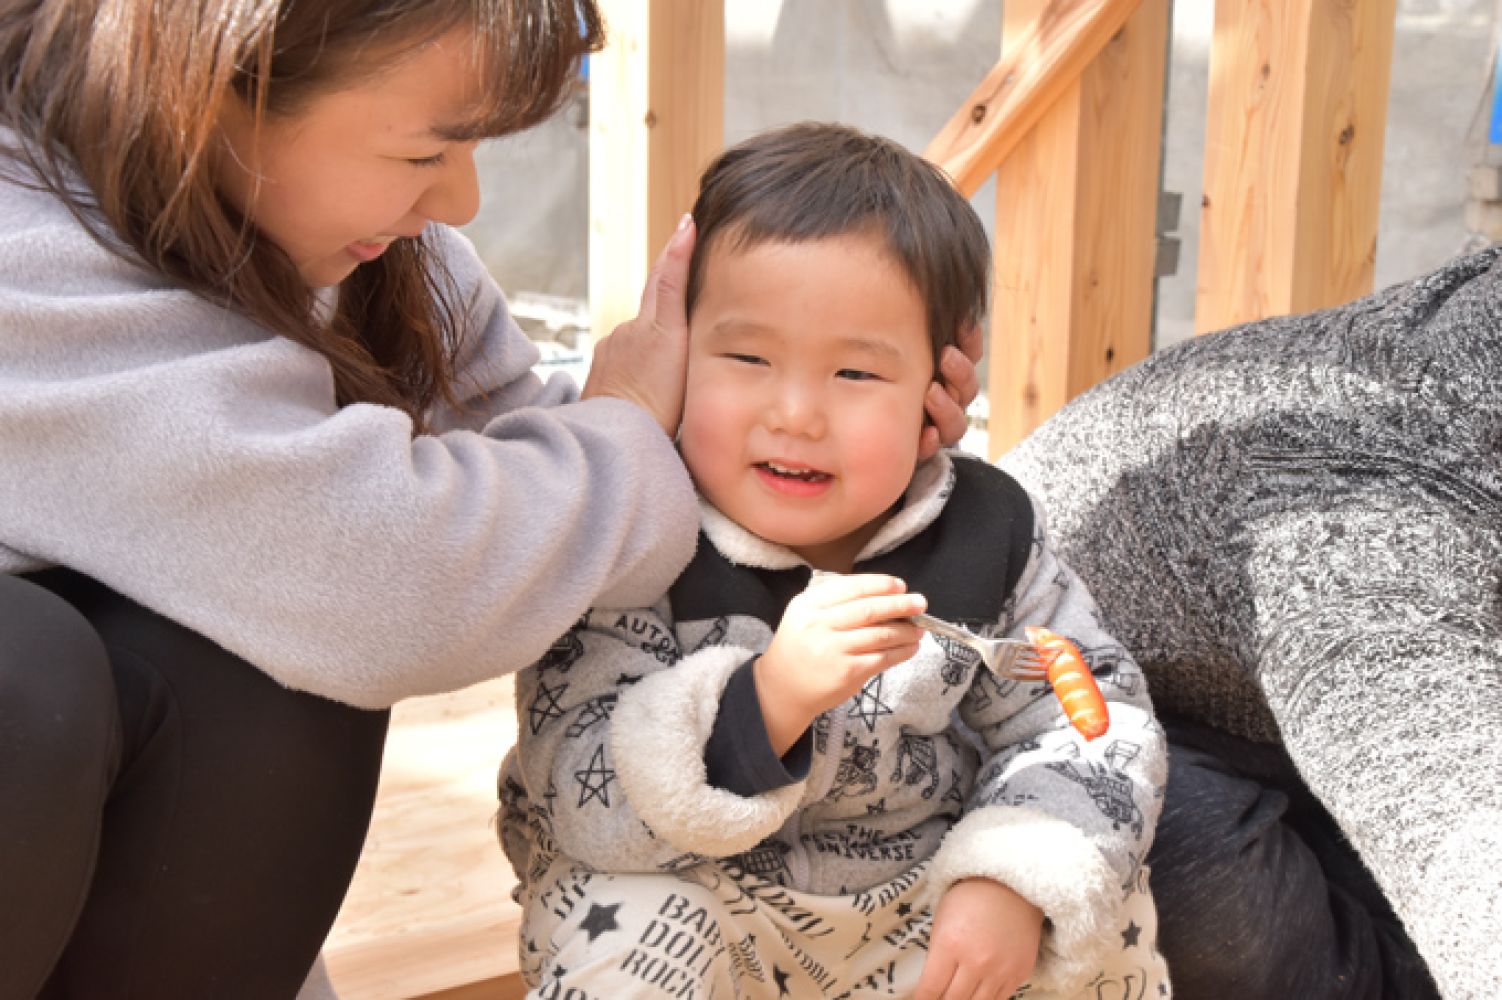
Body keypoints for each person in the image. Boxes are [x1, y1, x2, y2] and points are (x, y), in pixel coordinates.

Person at [0, 5, 984, 997]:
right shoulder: (24, 243)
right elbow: (383, 572)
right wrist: (636, 412)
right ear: (221, 83)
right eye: (428, 149)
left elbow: (550, 483)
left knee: (252, 654)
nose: (464, 200)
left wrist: (812, 457)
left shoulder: (372, 255)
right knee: (32, 664)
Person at [498, 122, 1170, 1000]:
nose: (797, 413)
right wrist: (766, 702)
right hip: (701, 901)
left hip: (913, 909)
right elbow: (583, 796)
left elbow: (1091, 718)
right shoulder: (633, 531)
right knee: (621, 917)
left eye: (855, 374)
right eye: (746, 357)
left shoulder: (985, 526)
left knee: (1095, 907)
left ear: (942, 382)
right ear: (676, 352)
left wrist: (1012, 874)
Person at [998, 247, 1502, 998]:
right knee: (1173, 863)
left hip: (1302, 716)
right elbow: (1459, 850)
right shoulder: (1360, 515)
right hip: (1116, 738)